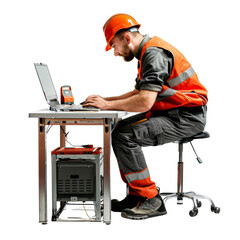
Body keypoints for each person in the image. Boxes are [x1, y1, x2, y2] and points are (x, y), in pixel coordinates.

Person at [83, 13, 208, 220]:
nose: (114, 53)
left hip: (186, 118)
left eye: (113, 46)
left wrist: (107, 105)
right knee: (118, 130)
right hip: (174, 113)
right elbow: (138, 93)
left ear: (126, 38)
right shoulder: (147, 52)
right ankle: (136, 195)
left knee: (125, 136)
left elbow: (145, 102)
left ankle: (151, 199)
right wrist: (104, 101)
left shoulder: (154, 54)